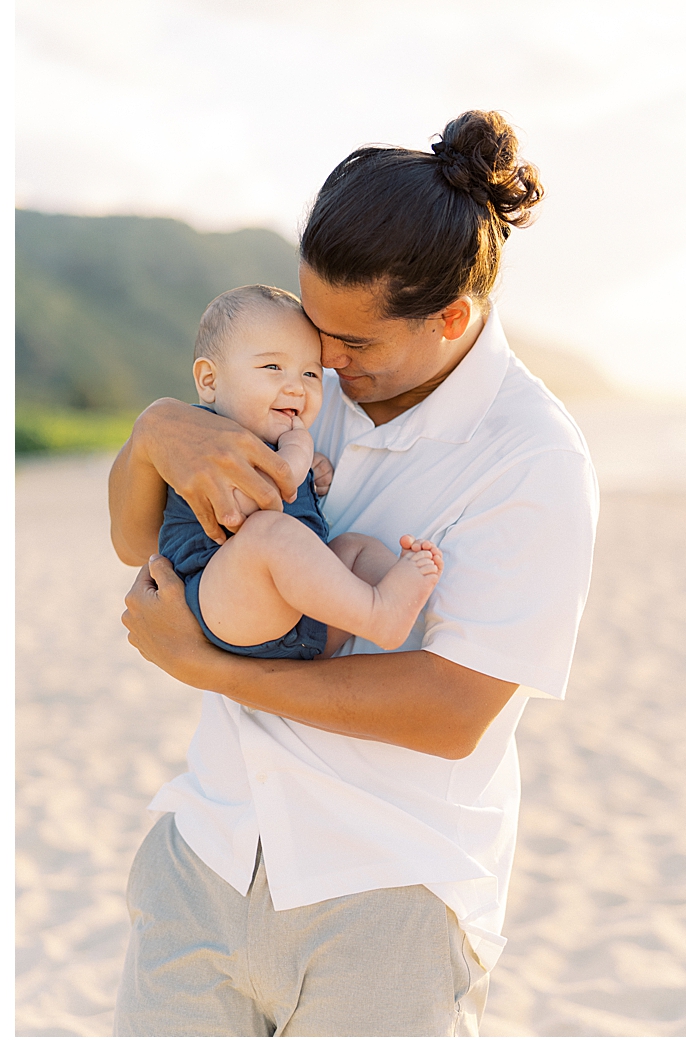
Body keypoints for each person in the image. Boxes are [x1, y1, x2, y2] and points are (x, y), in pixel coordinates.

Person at [108, 110, 598, 1036]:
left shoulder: (534, 461)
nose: (324, 362)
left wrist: (209, 670)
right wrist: (152, 435)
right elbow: (139, 540)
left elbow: (452, 713)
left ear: (452, 318)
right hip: (203, 857)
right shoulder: (295, 377)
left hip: (386, 898)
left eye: (356, 344)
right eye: (313, 326)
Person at [160, 284, 443, 663]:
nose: (295, 386)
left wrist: (314, 470)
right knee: (266, 533)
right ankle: (378, 616)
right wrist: (297, 455)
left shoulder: (280, 443)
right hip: (224, 603)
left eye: (311, 373)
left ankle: (384, 600)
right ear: (210, 381)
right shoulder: (208, 443)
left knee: (356, 547)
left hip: (304, 621)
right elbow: (254, 501)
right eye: (272, 367)